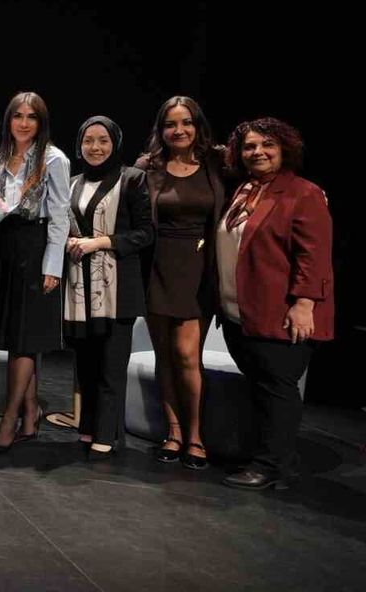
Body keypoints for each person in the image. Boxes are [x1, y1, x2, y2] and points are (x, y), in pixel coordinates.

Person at [216, 118, 334, 490]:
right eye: (250, 146)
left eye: (267, 144)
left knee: (276, 389)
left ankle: (270, 466)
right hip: (241, 313)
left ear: (284, 149)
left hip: (281, 313)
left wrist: (304, 304)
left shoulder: (303, 193)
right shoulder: (245, 190)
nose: (258, 152)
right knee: (260, 388)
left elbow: (313, 256)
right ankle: (278, 456)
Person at [135, 95, 228, 470]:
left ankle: (195, 435)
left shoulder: (218, 163)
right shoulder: (148, 167)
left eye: (186, 122)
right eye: (171, 124)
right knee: (165, 355)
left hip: (200, 268)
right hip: (157, 267)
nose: (179, 130)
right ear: (161, 130)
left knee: (188, 355)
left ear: (197, 125)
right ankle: (173, 433)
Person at [62, 116, 154, 459]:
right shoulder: (72, 183)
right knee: (86, 364)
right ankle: (88, 426)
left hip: (117, 290)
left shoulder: (132, 178)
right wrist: (69, 242)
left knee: (111, 366)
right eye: (88, 141)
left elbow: (145, 233)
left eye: (103, 140)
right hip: (79, 289)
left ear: (115, 143)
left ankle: (107, 433)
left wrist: (100, 242)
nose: (95, 147)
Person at [0, 91, 71, 453]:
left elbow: (60, 215)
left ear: (41, 123)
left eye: (31, 117)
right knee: (19, 338)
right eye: (18, 116)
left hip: (36, 248)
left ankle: (10, 418)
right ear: (9, 120)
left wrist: (53, 265)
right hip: (6, 248)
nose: (23, 123)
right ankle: (30, 414)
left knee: (24, 340)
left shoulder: (54, 159)